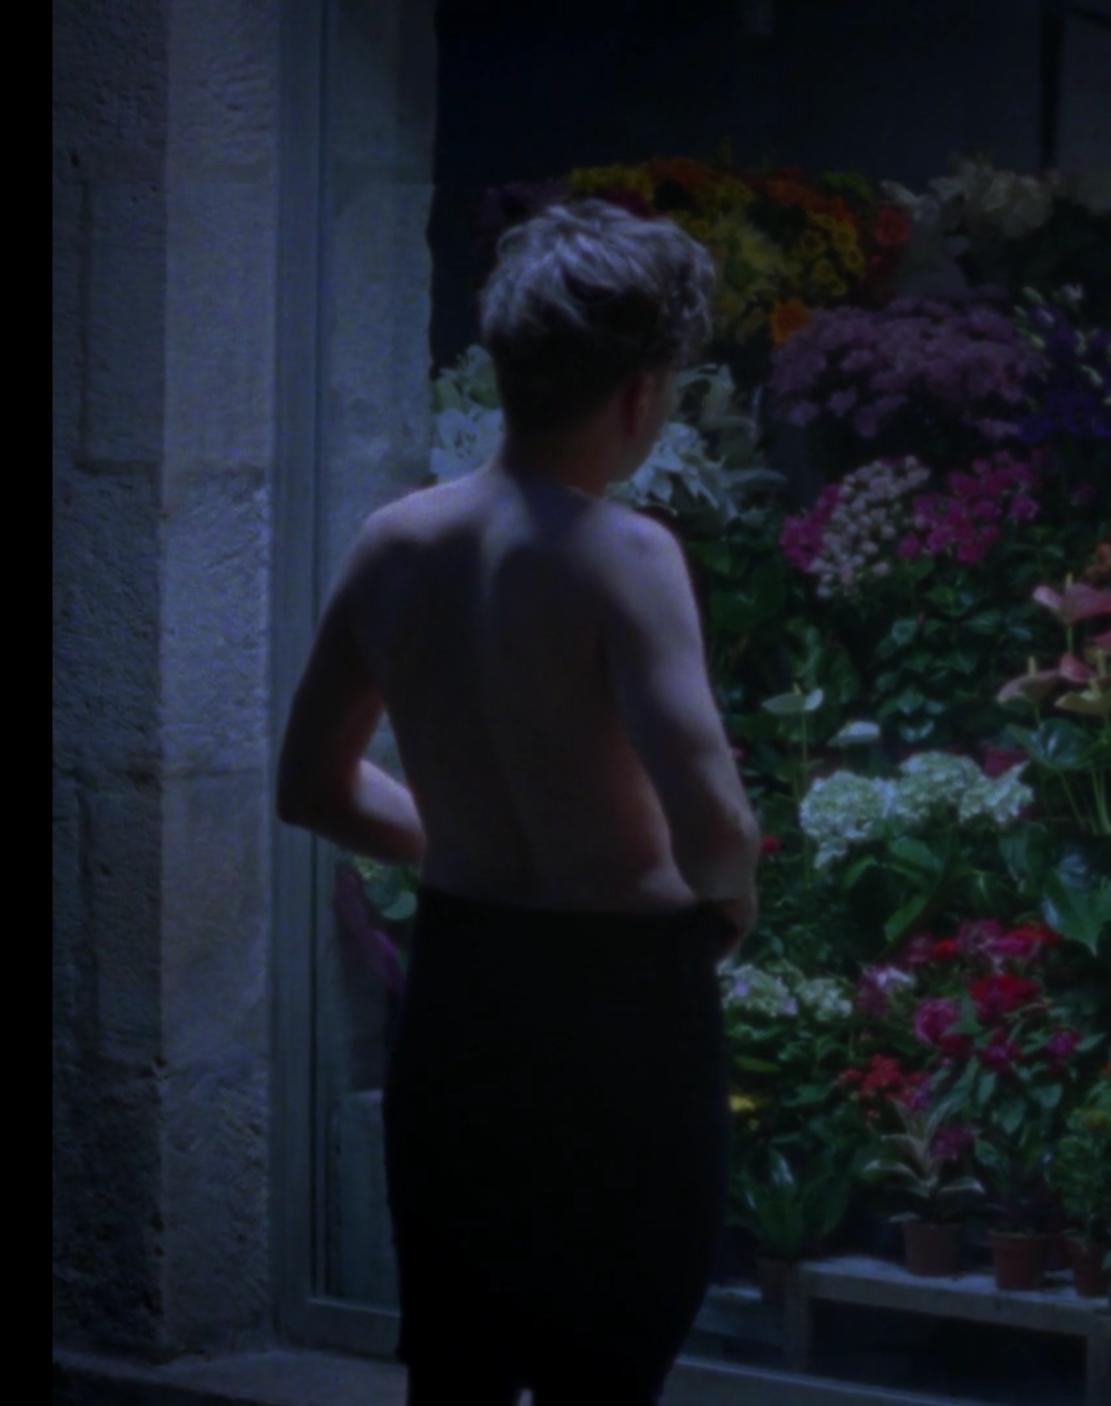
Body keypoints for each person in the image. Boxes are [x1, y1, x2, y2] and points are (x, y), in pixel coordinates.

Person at [274, 199, 762, 1405]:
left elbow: (312, 784)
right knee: (607, 1370)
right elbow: (711, 822)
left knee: (458, 1365)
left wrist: (457, 840)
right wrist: (726, 905)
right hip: (621, 1004)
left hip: (463, 988)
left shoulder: (396, 542)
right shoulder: (623, 553)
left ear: (506, 367)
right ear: (641, 392)